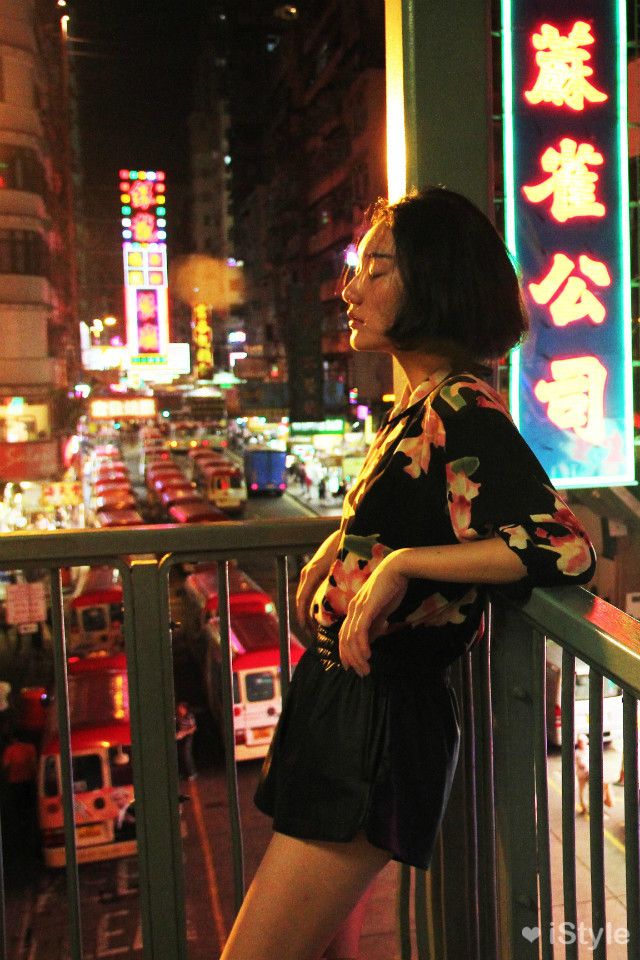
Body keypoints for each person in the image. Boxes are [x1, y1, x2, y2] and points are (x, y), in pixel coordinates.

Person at [219, 187, 596, 960]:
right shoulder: (419, 402)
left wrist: (401, 564)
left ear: (434, 281)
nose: (350, 290)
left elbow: (563, 546)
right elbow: (418, 506)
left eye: (375, 270)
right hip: (345, 711)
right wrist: (349, 545)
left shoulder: (462, 406)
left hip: (377, 726)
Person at [175, 702, 197, 781]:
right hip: (181, 735)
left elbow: (193, 728)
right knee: (180, 753)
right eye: (178, 708)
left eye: (181, 708)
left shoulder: (189, 716)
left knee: (186, 753)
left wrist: (184, 733)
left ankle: (192, 772)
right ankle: (184, 773)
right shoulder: (178, 716)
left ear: (185, 709)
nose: (179, 710)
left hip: (188, 735)